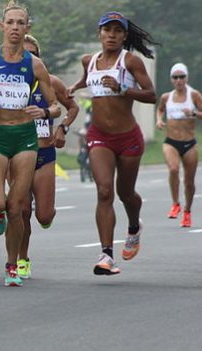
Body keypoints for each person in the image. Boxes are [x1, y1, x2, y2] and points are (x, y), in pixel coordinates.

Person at [0, 1, 60, 287]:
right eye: (11, 22)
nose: (15, 27)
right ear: (2, 26)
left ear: (27, 28)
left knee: (17, 206)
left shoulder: (35, 64)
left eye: (20, 23)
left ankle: (12, 265)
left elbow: (55, 107)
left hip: (25, 137)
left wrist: (42, 112)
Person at [68, 11, 157, 276]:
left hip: (128, 137)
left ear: (124, 36)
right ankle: (106, 255)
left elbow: (151, 95)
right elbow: (89, 79)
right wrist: (74, 86)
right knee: (104, 191)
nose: (112, 35)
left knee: (125, 193)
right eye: (107, 30)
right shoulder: (90, 60)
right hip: (99, 136)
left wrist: (123, 89)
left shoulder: (130, 61)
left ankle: (133, 226)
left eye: (118, 31)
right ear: (99, 33)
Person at [17, 34, 79, 279]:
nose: (29, 59)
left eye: (34, 54)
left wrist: (62, 127)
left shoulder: (51, 82)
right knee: (21, 210)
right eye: (25, 54)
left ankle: (46, 214)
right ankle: (22, 258)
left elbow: (72, 107)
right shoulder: (9, 83)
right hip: (19, 150)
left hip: (44, 152)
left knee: (43, 215)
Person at [155, 63, 202, 227]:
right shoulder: (167, 96)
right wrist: (159, 120)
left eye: (182, 77)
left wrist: (193, 113)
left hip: (189, 143)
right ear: (171, 79)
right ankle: (175, 204)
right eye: (175, 77)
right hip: (171, 141)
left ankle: (187, 211)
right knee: (173, 169)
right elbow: (160, 109)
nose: (179, 80)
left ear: (186, 78)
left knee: (189, 181)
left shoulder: (194, 95)